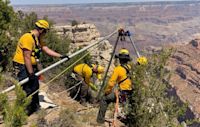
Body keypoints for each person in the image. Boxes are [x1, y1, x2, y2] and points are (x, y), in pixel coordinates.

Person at [12, 19, 67, 115]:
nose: (46, 33)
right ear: (41, 30)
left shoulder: (37, 38)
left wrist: (60, 56)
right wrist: (31, 73)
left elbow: (45, 48)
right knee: (27, 88)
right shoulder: (27, 38)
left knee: (35, 86)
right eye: (45, 31)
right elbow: (27, 57)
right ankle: (24, 112)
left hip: (30, 65)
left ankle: (35, 107)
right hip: (22, 65)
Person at [96, 48, 133, 124]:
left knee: (104, 99)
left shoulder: (118, 69)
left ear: (120, 59)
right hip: (130, 93)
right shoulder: (130, 68)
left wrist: (107, 92)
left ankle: (100, 121)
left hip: (122, 94)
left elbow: (111, 83)